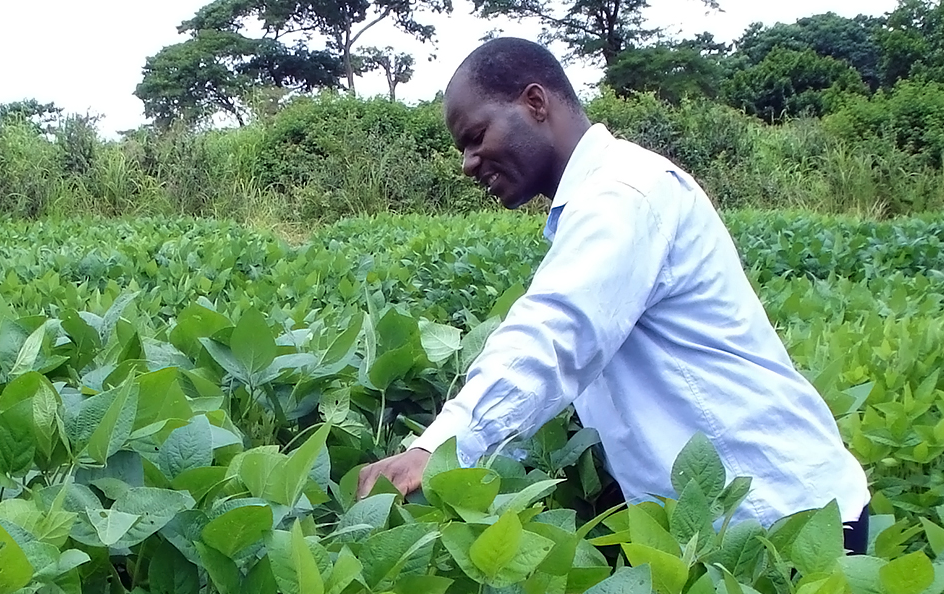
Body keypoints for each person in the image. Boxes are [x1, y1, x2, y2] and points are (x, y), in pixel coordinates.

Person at [355, 38, 872, 548]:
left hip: (781, 523)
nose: (467, 163)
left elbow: (556, 332)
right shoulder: (602, 197)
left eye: (476, 136)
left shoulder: (623, 194)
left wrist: (439, 448)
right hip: (717, 531)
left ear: (535, 103)